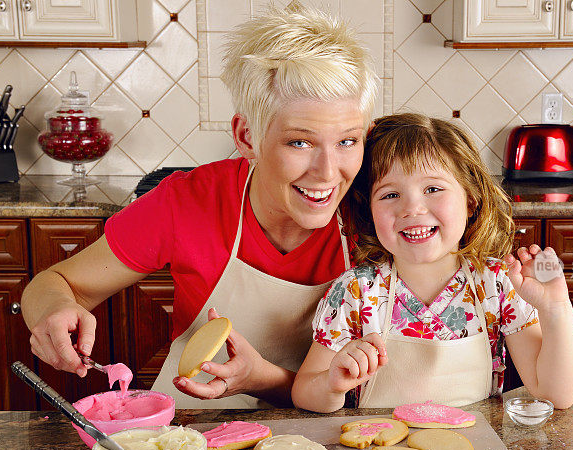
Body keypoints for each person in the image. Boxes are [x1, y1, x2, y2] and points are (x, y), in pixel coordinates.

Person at [20, 5, 378, 408]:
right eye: (300, 142)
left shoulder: (379, 214)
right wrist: (52, 310)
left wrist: (261, 379)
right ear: (247, 137)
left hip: (328, 443)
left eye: (347, 141)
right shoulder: (188, 201)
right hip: (194, 433)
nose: (329, 172)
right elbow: (53, 284)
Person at [292, 113, 573, 412]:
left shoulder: (497, 283)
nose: (412, 208)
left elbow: (555, 394)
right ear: (369, 210)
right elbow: (303, 391)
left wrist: (555, 307)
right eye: (390, 194)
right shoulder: (355, 291)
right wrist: (331, 383)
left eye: (432, 189)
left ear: (471, 199)